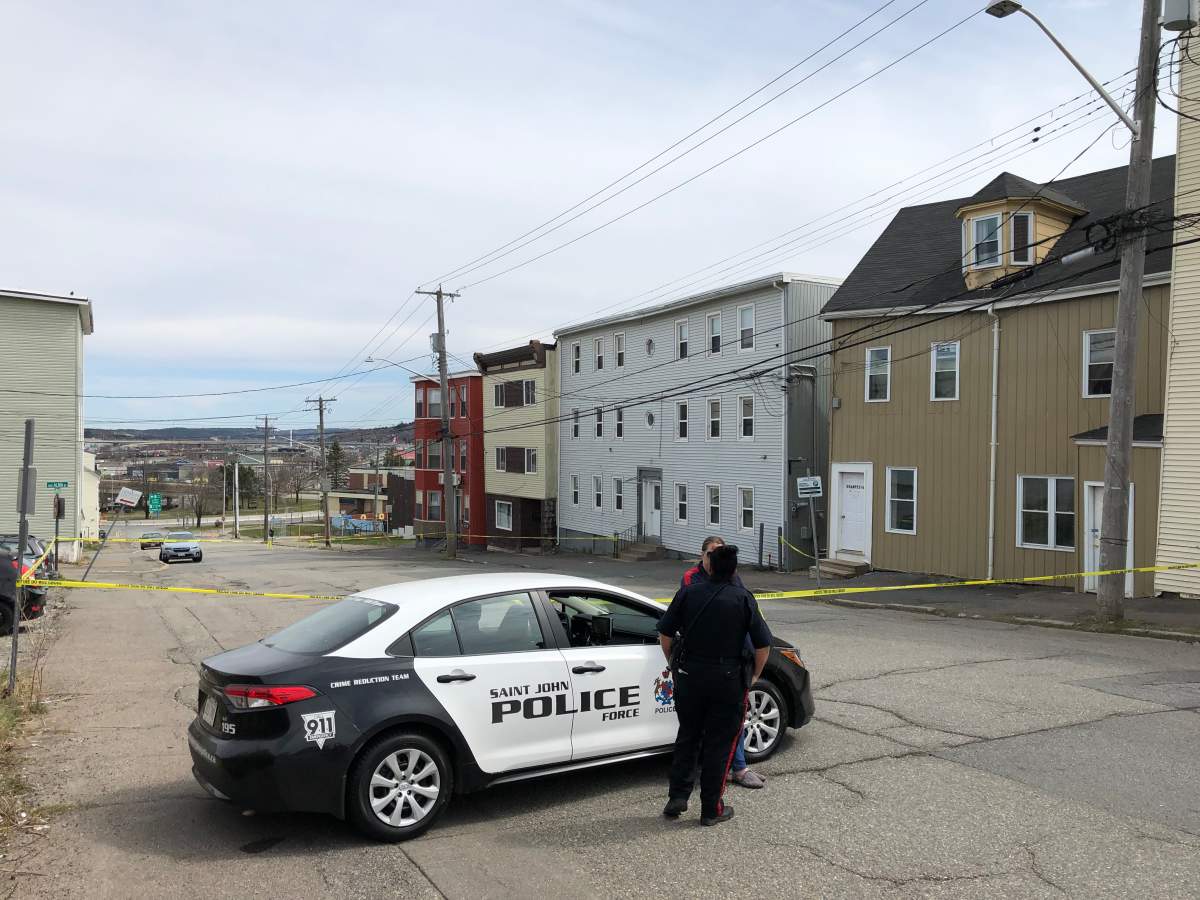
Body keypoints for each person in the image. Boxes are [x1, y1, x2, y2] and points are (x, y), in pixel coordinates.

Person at [658, 544, 772, 826]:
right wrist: (755, 675)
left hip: (690, 676)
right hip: (727, 679)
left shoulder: (688, 592)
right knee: (720, 745)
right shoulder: (743, 598)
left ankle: (678, 797)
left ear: (708, 566)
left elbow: (665, 631)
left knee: (688, 736)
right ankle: (711, 809)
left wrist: (674, 661)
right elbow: (763, 643)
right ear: (733, 569)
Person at [681, 536, 766, 790]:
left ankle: (738, 768)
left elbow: (749, 615)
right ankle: (719, 780)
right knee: (702, 726)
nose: (715, 558)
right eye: (710, 553)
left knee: (735, 718)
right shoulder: (691, 580)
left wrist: (753, 666)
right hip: (706, 661)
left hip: (734, 659)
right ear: (702, 555)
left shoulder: (732, 578)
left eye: (720, 552)